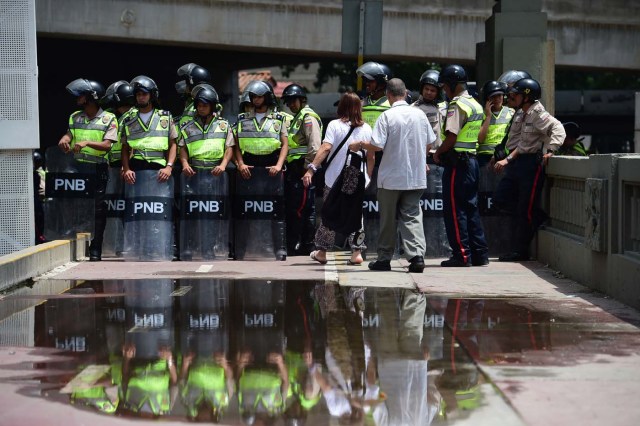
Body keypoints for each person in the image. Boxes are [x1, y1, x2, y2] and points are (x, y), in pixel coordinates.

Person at [352, 78, 434, 273]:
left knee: (388, 219)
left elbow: (377, 146)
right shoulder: (420, 115)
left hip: (390, 178)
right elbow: (430, 142)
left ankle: (384, 258)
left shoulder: (386, 116)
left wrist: (361, 145)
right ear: (405, 93)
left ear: (388, 95)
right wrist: (419, 159)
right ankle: (416, 257)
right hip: (415, 177)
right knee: (412, 216)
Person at [493, 78, 565, 261]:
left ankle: (520, 251)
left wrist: (551, 150)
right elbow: (518, 142)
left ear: (526, 97)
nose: (511, 97)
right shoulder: (520, 113)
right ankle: (538, 216)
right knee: (500, 199)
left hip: (531, 166)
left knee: (525, 210)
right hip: (517, 163)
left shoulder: (538, 114)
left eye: (515, 94)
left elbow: (558, 128)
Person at [303, 92, 374, 266]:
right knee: (355, 215)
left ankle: (322, 252)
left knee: (329, 213)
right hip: (357, 179)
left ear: (342, 106)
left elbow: (326, 147)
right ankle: (356, 252)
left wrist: (311, 169)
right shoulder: (366, 128)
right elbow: (371, 156)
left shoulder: (335, 125)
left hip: (335, 178)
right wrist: (368, 177)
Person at [434, 65, 489, 267]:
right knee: (471, 209)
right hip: (472, 162)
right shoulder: (474, 103)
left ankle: (462, 255)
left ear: (452, 84)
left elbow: (452, 135)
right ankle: (480, 254)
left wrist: (439, 152)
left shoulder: (457, 105)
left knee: (455, 210)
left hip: (458, 164)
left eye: (444, 86)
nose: (443, 90)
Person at [58, 78, 117, 261]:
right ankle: (70, 231)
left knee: (97, 209)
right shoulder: (75, 116)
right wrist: (65, 139)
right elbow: (70, 134)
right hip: (78, 168)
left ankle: (96, 247)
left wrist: (87, 143)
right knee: (71, 200)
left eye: (81, 95)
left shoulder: (109, 118)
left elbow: (107, 145)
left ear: (91, 98)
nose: (78, 98)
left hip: (98, 169)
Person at [121, 75, 178, 260]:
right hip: (137, 170)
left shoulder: (165, 117)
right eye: (138, 94)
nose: (140, 97)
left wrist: (169, 167)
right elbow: (124, 147)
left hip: (159, 170)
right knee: (139, 212)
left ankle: (159, 248)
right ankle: (140, 249)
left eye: (144, 94)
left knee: (158, 211)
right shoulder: (128, 119)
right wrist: (126, 168)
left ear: (151, 95)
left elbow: (173, 144)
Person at [233, 80, 289, 261]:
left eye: (259, 96)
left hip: (271, 168)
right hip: (248, 169)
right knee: (245, 211)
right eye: (253, 97)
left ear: (267, 97)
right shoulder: (242, 119)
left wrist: (279, 165)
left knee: (275, 211)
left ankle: (279, 249)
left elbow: (285, 145)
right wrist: (240, 164)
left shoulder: (279, 119)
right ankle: (241, 250)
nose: (256, 100)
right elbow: (233, 145)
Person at [178, 84, 234, 260]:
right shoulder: (187, 126)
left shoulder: (224, 125)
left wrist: (224, 165)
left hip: (215, 175)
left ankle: (208, 248)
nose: (201, 108)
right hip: (193, 174)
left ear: (212, 106)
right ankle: (189, 248)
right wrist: (185, 163)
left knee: (212, 215)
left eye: (204, 105)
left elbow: (229, 148)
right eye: (199, 105)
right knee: (191, 213)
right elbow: (183, 148)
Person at [281, 83, 323, 256]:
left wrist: (307, 170)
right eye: (288, 101)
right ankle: (303, 243)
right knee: (301, 208)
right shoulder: (298, 117)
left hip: (303, 171)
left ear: (302, 99)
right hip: (296, 170)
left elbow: (314, 146)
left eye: (293, 100)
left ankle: (304, 244)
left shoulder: (307, 117)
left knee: (302, 209)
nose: (290, 104)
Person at [477, 80, 514, 167]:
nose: (497, 99)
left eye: (499, 95)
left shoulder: (511, 113)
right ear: (487, 99)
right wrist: (488, 116)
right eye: (493, 97)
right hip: (484, 158)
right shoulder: (481, 114)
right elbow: (480, 139)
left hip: (502, 155)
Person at [412, 69, 444, 153]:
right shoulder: (413, 108)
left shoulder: (444, 108)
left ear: (438, 92)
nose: (429, 92)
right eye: (426, 89)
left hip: (439, 155)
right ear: (422, 89)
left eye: (433, 90)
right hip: (423, 154)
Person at [356, 61, 392, 130]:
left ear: (382, 83)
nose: (367, 83)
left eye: (370, 80)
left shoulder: (391, 104)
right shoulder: (361, 103)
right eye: (366, 80)